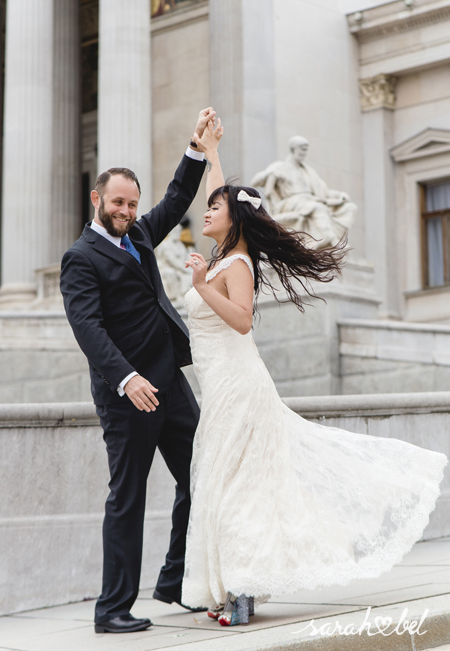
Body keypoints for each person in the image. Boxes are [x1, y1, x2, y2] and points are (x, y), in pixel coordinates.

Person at [180, 120, 448, 626]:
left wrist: (200, 284)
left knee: (240, 487)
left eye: (214, 207)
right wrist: (212, 151)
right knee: (224, 482)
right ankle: (233, 587)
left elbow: (241, 322)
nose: (206, 210)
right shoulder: (222, 255)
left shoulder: (233, 264)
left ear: (233, 219)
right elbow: (224, 196)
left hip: (239, 385)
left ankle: (242, 590)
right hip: (219, 387)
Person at [60, 108, 215, 634]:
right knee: (127, 499)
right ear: (96, 200)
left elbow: (175, 199)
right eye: (117, 202)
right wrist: (127, 378)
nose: (126, 210)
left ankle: (175, 580)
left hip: (170, 382)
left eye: (132, 202)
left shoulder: (142, 236)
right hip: (129, 395)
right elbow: (88, 329)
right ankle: (113, 610)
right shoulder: (80, 258)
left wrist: (195, 149)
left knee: (202, 476)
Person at [251, 136, 357, 249]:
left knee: (350, 207)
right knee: (317, 207)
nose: (304, 153)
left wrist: (339, 195)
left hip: (309, 200)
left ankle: (327, 240)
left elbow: (324, 191)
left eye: (306, 149)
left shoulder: (308, 171)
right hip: (290, 203)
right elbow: (255, 182)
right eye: (302, 149)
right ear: (293, 149)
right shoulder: (279, 167)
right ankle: (332, 239)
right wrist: (270, 173)